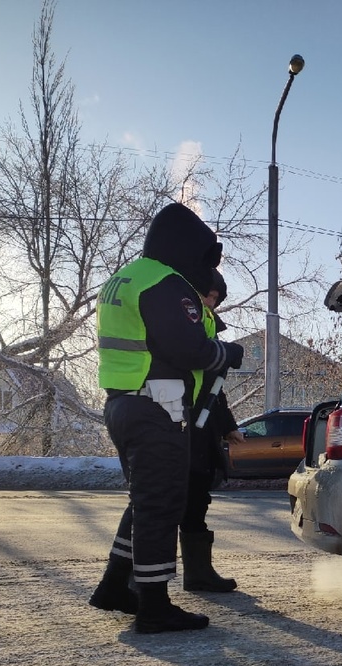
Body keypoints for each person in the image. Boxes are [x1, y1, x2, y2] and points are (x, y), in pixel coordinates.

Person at [88, 202, 243, 633]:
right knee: (162, 507)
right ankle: (153, 606)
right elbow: (189, 348)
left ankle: (114, 585)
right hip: (158, 408)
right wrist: (227, 353)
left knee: (145, 501)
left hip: (124, 401)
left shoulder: (125, 277)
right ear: (185, 247)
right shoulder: (165, 281)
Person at [180, 267, 244, 592]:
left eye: (216, 299)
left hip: (201, 429)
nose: (212, 303)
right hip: (179, 423)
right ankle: (143, 581)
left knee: (197, 497)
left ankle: (198, 572)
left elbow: (214, 390)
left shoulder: (209, 331)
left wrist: (228, 426)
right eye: (210, 295)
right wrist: (225, 354)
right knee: (170, 498)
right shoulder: (187, 324)